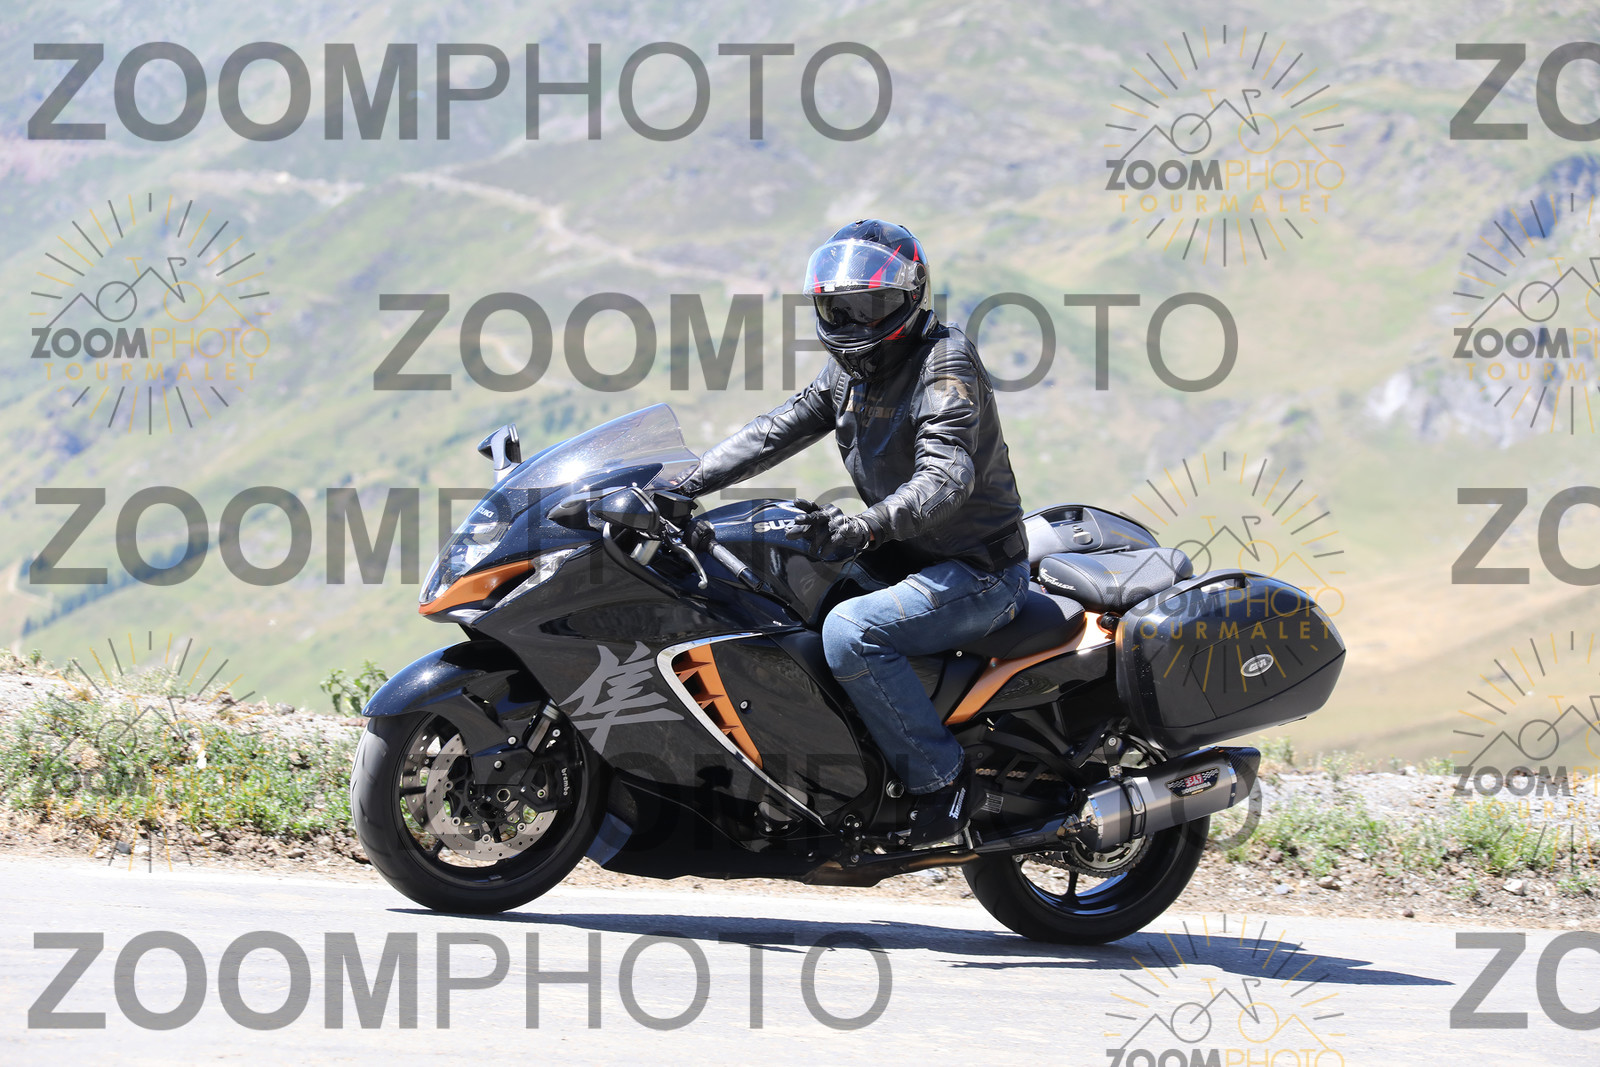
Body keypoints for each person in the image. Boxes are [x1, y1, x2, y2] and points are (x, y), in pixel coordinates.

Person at [677, 219, 1029, 846]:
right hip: (904, 555)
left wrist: (867, 525)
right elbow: (776, 430)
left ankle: (942, 783)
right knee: (772, 582)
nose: (852, 322)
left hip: (976, 569)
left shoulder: (944, 364)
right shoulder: (850, 372)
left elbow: (946, 477)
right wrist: (682, 485)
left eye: (869, 306)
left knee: (852, 632)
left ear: (908, 297)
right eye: (839, 308)